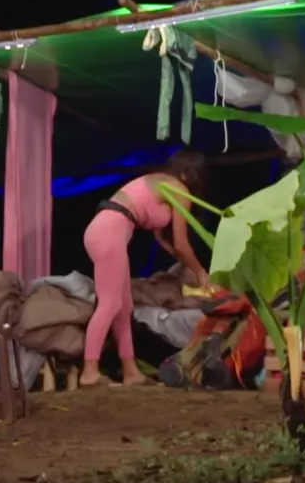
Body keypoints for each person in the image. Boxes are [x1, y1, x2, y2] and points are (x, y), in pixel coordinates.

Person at [80, 148, 211, 387]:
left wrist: (185, 263)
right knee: (110, 304)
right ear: (190, 174)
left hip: (105, 230)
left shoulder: (159, 182)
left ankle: (131, 372)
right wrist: (201, 272)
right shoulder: (178, 189)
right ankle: (90, 371)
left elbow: (165, 240)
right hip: (110, 233)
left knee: (124, 307)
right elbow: (181, 244)